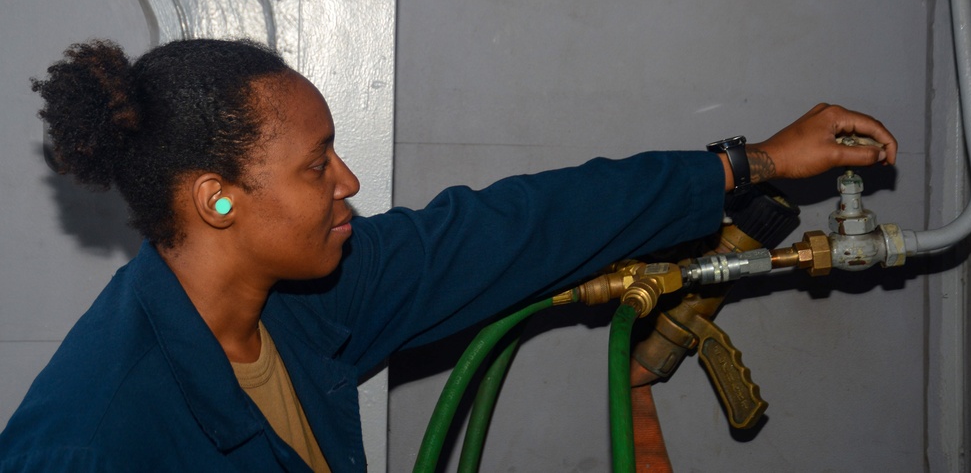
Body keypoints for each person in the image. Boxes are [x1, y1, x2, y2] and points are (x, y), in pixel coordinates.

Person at [0, 38, 897, 471]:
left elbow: (515, 228)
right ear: (217, 198)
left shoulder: (303, 300)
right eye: (318, 165)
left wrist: (750, 164)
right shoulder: (91, 438)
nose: (347, 181)